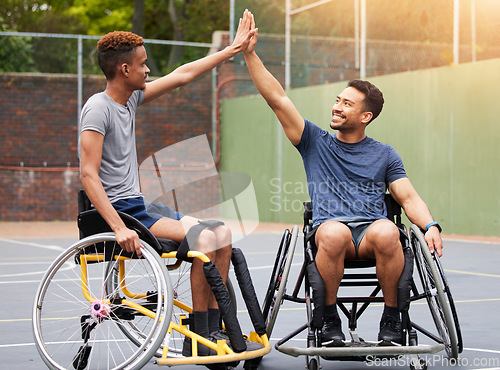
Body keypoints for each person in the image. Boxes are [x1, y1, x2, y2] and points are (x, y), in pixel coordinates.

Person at [242, 14, 443, 345]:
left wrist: (430, 225)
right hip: (331, 232)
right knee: (333, 232)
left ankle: (392, 319)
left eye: (346, 104)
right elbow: (277, 99)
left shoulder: (385, 154)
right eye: (337, 100)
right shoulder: (314, 141)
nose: (336, 107)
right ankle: (329, 319)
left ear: (365, 116)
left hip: (371, 234)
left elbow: (408, 198)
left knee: (389, 230)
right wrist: (250, 54)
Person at [78, 10, 256, 356]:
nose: (148, 70)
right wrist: (118, 228)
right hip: (121, 212)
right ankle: (200, 338)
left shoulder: (129, 99)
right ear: (124, 69)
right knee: (204, 238)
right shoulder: (97, 108)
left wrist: (233, 49)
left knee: (221, 233)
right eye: (143, 64)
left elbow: (182, 75)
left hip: (139, 205)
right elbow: (88, 175)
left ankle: (209, 332)